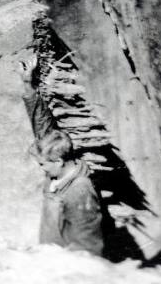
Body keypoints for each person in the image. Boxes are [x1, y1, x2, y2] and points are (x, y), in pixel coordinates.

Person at [19, 56, 104, 255]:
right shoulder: (59, 170)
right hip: (50, 261)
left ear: (57, 161)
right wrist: (27, 84)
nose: (41, 169)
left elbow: (88, 247)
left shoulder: (80, 192)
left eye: (42, 164)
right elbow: (41, 126)